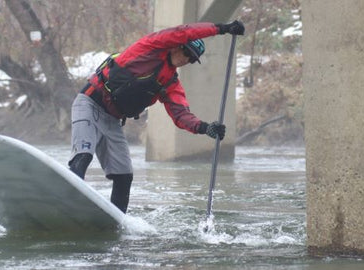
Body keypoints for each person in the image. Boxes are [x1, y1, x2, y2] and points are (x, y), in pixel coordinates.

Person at [68, 20, 245, 213]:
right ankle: (66, 202)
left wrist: (205, 127)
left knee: (124, 176)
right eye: (186, 52)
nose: (186, 59)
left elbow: (181, 115)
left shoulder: (170, 82)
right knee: (83, 156)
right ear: (177, 46)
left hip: (112, 121)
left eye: (192, 59)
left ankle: (116, 222)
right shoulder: (150, 47)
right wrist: (221, 29)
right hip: (90, 103)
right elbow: (183, 32)